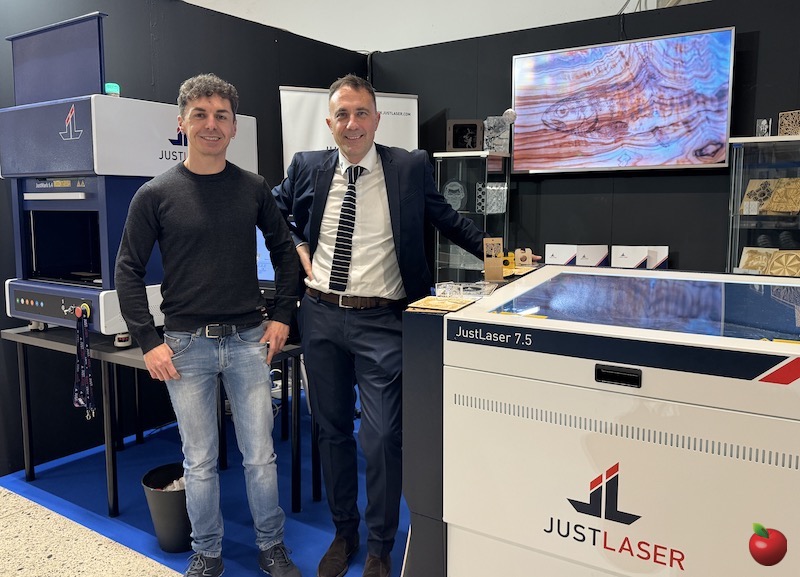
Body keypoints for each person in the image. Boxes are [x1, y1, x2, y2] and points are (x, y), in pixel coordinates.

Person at [273, 74, 539, 577]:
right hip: (322, 316)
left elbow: (451, 221)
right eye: (342, 115)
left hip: (383, 321)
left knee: (381, 438)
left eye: (361, 113)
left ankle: (379, 546)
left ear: (377, 118)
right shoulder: (307, 167)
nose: (352, 124)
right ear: (329, 122)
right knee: (330, 430)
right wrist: (296, 243)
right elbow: (274, 209)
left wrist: (504, 260)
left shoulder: (410, 167)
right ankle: (344, 533)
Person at [115, 73, 302, 577]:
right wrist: (148, 340)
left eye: (221, 116)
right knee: (198, 460)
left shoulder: (253, 188)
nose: (211, 124)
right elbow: (127, 270)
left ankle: (271, 546)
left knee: (260, 456)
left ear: (234, 127)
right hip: (184, 346)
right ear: (182, 124)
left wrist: (283, 316)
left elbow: (286, 253)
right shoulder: (155, 194)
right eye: (200, 115)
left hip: (248, 341)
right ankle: (208, 552)